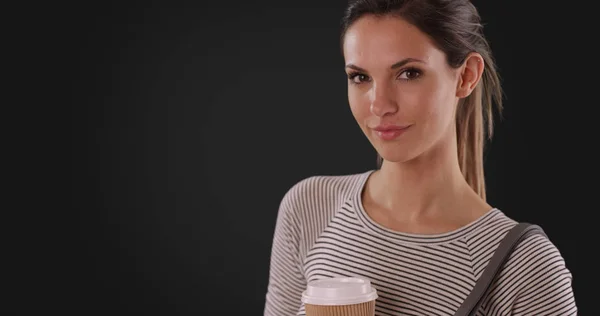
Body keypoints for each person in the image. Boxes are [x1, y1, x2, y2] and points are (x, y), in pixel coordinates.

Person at [264, 0, 577, 315]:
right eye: (360, 78)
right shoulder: (309, 209)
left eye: (408, 73)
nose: (379, 105)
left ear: (466, 76)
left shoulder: (526, 267)